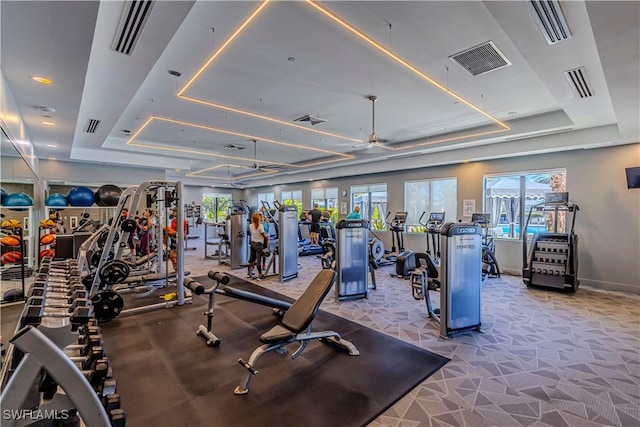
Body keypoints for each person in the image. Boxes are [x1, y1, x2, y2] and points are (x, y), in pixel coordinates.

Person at [249, 212, 269, 280]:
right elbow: (263, 236)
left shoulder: (251, 225)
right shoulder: (260, 226)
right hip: (259, 244)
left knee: (252, 259)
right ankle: (260, 274)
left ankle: (249, 271)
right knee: (258, 260)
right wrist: (267, 238)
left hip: (253, 243)